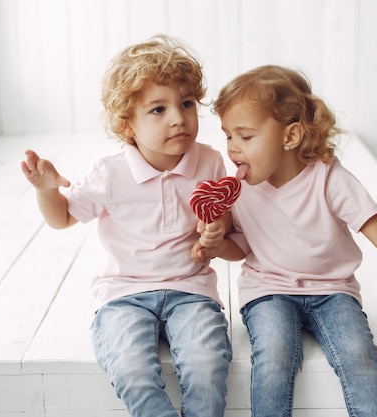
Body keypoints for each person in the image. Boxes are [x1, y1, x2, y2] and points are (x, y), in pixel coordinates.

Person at [193, 65, 377, 417]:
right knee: (274, 355)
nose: (234, 149)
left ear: (290, 136)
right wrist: (218, 244)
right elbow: (242, 249)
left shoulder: (328, 177)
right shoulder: (239, 190)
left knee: (359, 357)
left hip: (333, 291)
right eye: (228, 137)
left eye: (246, 136)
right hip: (268, 289)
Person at [21, 34, 232, 417]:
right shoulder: (109, 173)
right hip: (124, 294)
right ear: (127, 125)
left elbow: (219, 217)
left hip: (192, 289)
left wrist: (215, 229)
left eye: (186, 104)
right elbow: (62, 218)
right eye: (158, 109)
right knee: (133, 370)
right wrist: (48, 190)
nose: (178, 117)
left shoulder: (210, 162)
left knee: (207, 367)